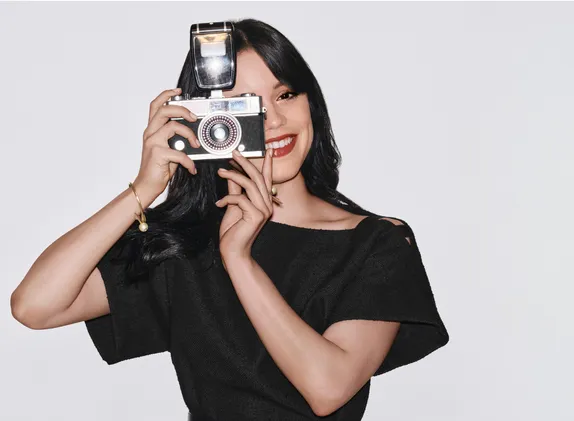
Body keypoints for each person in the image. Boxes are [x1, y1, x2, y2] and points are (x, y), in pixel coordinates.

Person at [10, 18, 449, 421]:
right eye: (246, 105)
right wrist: (144, 187)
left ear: (311, 103)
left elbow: (327, 388)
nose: (274, 120)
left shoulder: (376, 244)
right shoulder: (186, 244)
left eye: (285, 95)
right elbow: (35, 306)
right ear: (209, 121)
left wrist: (239, 260)